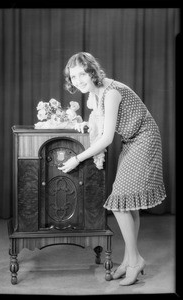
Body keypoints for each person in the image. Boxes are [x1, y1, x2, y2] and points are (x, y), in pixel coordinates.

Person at [58, 52, 166, 286]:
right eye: (72, 76)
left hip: (145, 138)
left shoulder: (111, 92)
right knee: (129, 203)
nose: (77, 80)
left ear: (92, 71)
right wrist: (87, 124)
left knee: (120, 202)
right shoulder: (93, 95)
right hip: (131, 141)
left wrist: (77, 158)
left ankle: (136, 261)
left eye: (81, 74)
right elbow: (98, 122)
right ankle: (128, 261)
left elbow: (107, 138)